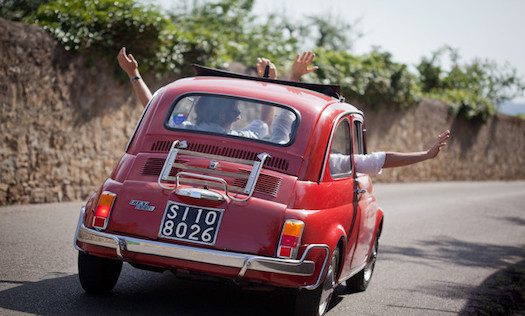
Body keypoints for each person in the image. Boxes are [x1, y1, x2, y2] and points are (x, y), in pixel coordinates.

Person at [118, 47, 450, 175]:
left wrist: (135, 75)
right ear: (220, 114)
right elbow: (374, 160)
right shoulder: (253, 136)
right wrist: (425, 154)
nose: (236, 115)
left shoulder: (184, 129)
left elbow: (151, 107)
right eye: (233, 110)